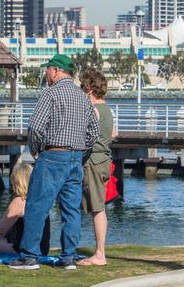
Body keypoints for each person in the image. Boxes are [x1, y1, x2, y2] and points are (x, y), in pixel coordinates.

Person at [9, 54, 100, 270]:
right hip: (75, 157)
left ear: (56, 71)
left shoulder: (50, 93)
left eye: (47, 69)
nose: (46, 73)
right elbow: (93, 132)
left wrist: (36, 150)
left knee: (37, 206)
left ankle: (30, 256)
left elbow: (36, 127)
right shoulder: (82, 97)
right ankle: (68, 257)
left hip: (52, 155)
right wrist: (81, 154)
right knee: (71, 210)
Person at [76, 69, 116, 266]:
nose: (82, 91)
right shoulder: (107, 108)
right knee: (98, 207)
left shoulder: (93, 109)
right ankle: (99, 251)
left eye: (83, 87)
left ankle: (100, 254)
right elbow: (113, 133)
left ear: (90, 89)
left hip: (93, 161)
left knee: (97, 208)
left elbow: (84, 135)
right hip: (104, 160)